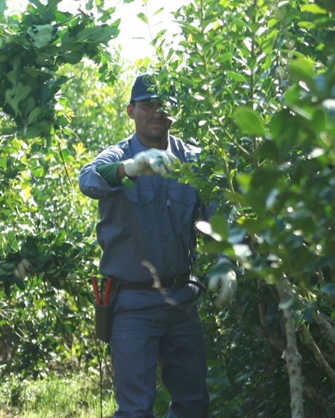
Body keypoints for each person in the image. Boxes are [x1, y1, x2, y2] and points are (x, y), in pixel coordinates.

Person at [78, 74, 210, 417]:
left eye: (163, 105)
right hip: (133, 302)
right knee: (135, 409)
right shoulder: (118, 155)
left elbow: (221, 220)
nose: (156, 111)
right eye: (147, 104)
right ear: (131, 111)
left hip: (183, 299)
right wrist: (129, 169)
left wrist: (226, 262)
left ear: (174, 113)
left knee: (193, 403)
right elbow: (88, 179)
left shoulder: (194, 160)